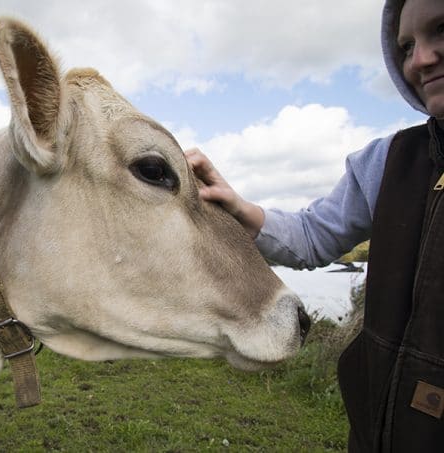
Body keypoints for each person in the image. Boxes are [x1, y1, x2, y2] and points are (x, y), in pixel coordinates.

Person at [186, 0, 444, 450]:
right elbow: (313, 236)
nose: (419, 60)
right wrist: (238, 207)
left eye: (441, 29)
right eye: (405, 46)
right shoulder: (388, 162)